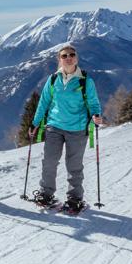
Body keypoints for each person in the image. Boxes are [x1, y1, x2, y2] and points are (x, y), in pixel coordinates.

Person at [28, 45, 103, 213]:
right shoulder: (53, 79)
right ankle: (46, 194)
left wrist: (96, 115)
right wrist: (35, 123)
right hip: (54, 126)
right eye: (64, 55)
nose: (68, 57)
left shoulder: (85, 80)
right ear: (59, 59)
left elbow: (93, 102)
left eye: (71, 55)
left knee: (74, 165)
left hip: (77, 128)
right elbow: (44, 102)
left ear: (76, 58)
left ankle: (75, 198)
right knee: (49, 162)